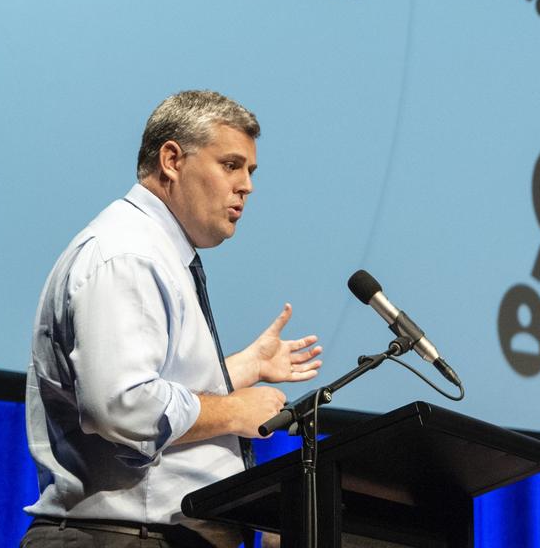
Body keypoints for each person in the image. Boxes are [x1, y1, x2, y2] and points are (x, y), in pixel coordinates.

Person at [23, 90, 323, 548]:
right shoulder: (127, 254)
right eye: (231, 165)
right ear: (172, 160)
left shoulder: (154, 250)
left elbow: (157, 380)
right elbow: (121, 405)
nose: (247, 186)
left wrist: (242, 369)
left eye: (250, 171)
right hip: (124, 537)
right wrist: (235, 411)